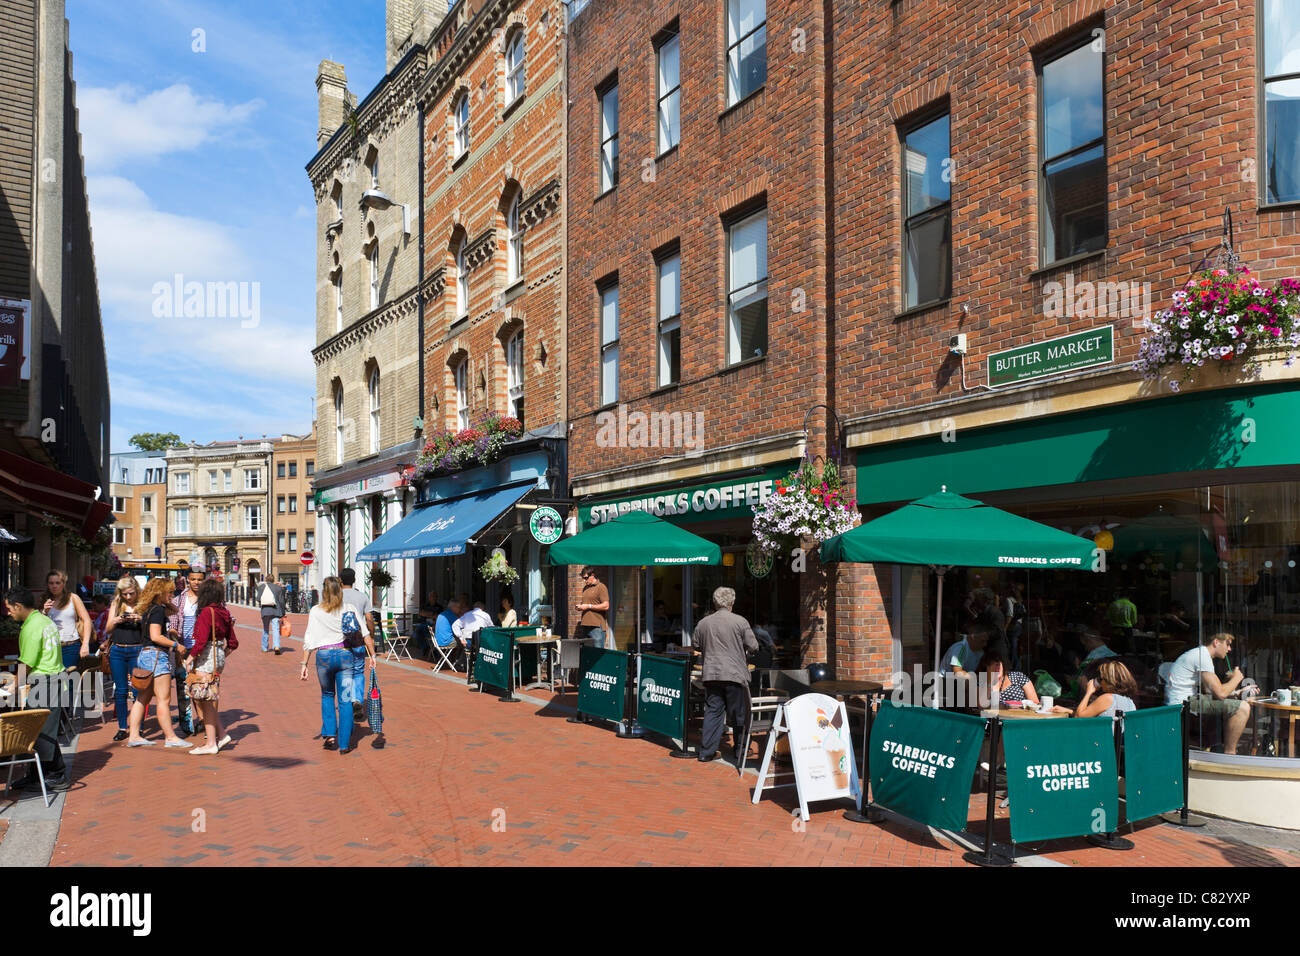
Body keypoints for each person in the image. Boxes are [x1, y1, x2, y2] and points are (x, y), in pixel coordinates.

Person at [300, 576, 375, 754]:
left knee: (327, 695)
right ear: (339, 590)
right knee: (345, 699)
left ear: (324, 591)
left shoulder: (316, 610)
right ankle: (344, 744)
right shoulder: (348, 608)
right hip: (344, 656)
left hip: (324, 656)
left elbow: (309, 639)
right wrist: (372, 655)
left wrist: (304, 663)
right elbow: (364, 633)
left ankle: (329, 734)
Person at [6, 587, 70, 789]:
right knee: (39, 730)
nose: (8, 612)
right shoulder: (42, 620)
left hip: (46, 682)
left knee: (42, 732)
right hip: (52, 680)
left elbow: (26, 663)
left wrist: (11, 688)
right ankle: (35, 774)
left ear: (18, 606)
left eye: (9, 608)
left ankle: (55, 774)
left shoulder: (32, 627)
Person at [693, 587, 758, 764]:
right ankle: (740, 752)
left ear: (715, 602)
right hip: (734, 674)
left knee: (713, 712)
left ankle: (706, 752)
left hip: (712, 674)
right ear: (732, 602)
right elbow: (754, 646)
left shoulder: (704, 623)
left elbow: (696, 645)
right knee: (738, 715)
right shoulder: (740, 621)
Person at [126, 577, 192, 749]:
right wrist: (176, 645)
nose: (172, 595)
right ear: (159, 592)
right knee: (163, 699)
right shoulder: (157, 611)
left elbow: (175, 610)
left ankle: (134, 735)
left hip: (145, 654)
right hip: (156, 656)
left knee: (142, 698)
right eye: (169, 592)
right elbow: (156, 636)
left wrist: (166, 602)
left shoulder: (150, 609)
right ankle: (170, 737)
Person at [1165, 632, 1252, 754]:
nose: (1229, 649)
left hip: (1186, 700)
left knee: (1235, 705)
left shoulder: (1200, 655)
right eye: (1227, 644)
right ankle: (1230, 754)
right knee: (1243, 708)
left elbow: (1209, 691)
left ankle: (1220, 748)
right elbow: (1220, 694)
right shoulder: (1202, 656)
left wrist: (1237, 692)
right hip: (1182, 705)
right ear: (1216, 642)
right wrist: (1237, 678)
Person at [185, 578, 237, 755]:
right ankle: (221, 735)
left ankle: (211, 743)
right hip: (218, 654)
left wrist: (190, 658)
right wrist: (221, 654)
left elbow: (200, 641)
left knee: (205, 700)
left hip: (207, 656)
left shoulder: (207, 612)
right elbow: (233, 642)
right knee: (208, 698)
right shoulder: (224, 612)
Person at [104, 576, 147, 742]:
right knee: (121, 691)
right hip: (118, 651)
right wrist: (116, 620)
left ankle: (138, 727)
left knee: (138, 691)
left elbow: (151, 626)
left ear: (136, 590)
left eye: (131, 593)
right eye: (125, 594)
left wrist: (140, 619)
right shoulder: (116, 605)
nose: (128, 597)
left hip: (137, 649)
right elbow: (107, 629)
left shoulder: (142, 604)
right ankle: (122, 727)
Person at [168, 567, 207, 736]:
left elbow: (226, 617)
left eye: (200, 579)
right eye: (193, 579)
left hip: (203, 649)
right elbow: (172, 625)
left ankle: (204, 720)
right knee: (183, 686)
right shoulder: (178, 600)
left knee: (201, 684)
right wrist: (175, 642)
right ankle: (186, 723)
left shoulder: (209, 599)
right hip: (184, 648)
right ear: (188, 580)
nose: (196, 582)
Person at [339, 568, 375, 722]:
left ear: (340, 580)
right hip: (359, 640)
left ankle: (347, 702)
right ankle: (357, 699)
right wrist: (371, 636)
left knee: (345, 672)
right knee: (359, 672)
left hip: (341, 642)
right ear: (354, 580)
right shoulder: (362, 596)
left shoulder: (336, 597)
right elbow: (369, 618)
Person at [42, 569, 93, 670]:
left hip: (70, 646)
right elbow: (39, 624)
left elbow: (87, 620)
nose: (54, 586)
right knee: (53, 682)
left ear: (64, 584)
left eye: (57, 583)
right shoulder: (44, 599)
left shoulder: (73, 598)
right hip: (50, 648)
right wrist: (44, 612)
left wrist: (85, 644)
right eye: (51, 583)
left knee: (68, 681)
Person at [1073, 659, 1139, 719]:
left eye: (1101, 679)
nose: (1100, 682)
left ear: (1109, 680)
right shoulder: (1130, 702)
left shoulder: (1107, 698)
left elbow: (1078, 717)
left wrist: (1089, 692)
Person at [454, 599, 494, 685]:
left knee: (470, 653)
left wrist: (461, 638)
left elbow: (455, 625)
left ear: (474, 608)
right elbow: (492, 628)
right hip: (481, 643)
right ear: (482, 608)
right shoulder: (485, 615)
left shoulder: (467, 615)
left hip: (469, 643)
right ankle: (483, 672)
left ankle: (470, 672)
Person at [575, 567, 609, 650]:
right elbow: (588, 604)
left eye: (586, 578)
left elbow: (606, 605)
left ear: (592, 575)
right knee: (587, 653)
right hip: (585, 625)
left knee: (597, 653)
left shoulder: (601, 587)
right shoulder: (585, 588)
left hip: (596, 626)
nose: (584, 580)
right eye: (583, 578)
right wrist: (581, 607)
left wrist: (588, 606)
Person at [256, 573, 288, 656]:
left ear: (266, 579)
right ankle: (276, 646)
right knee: (275, 629)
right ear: (273, 580)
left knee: (265, 629)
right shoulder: (278, 588)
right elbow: (281, 601)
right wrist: (283, 613)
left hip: (265, 610)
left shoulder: (261, 587)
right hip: (276, 611)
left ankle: (265, 647)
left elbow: (258, 599)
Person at [433, 597, 463, 669]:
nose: (460, 609)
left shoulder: (442, 614)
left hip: (437, 641)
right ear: (453, 607)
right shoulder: (452, 616)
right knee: (465, 644)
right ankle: (458, 662)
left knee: (459, 641)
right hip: (446, 642)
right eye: (458, 607)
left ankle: (454, 661)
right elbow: (461, 627)